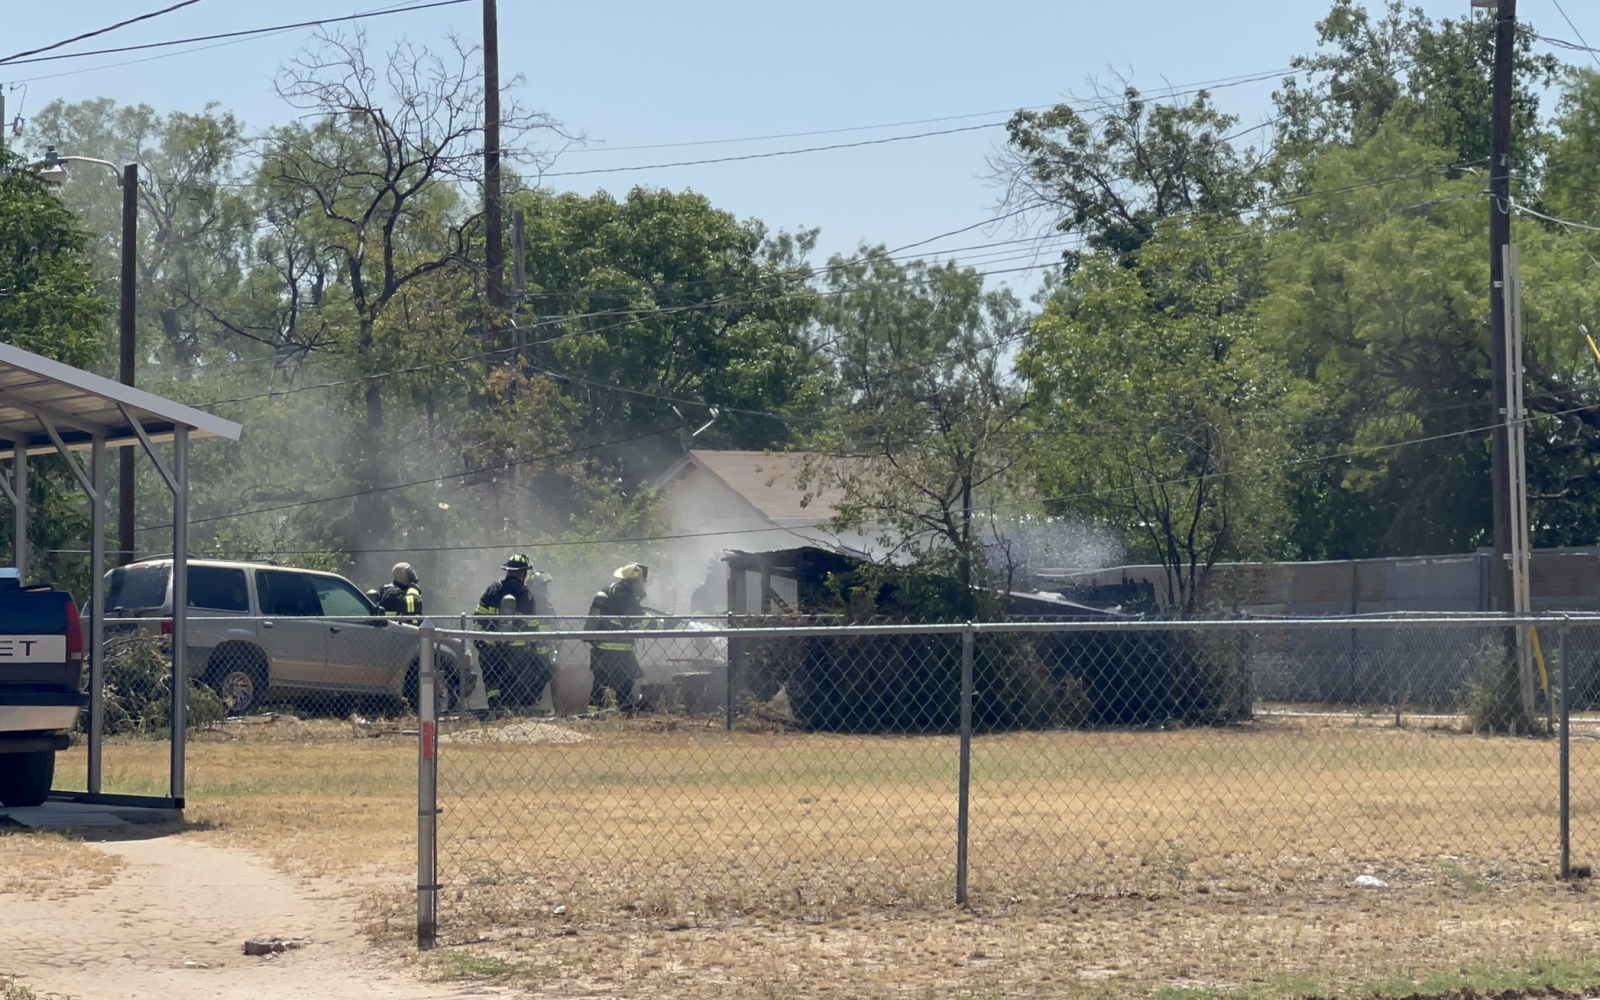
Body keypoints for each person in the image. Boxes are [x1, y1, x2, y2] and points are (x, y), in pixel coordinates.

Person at [474, 554, 551, 710]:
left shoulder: (492, 589)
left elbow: (478, 617)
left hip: (491, 647)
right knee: (514, 681)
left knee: (492, 678)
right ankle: (513, 710)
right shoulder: (526, 595)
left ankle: (495, 707)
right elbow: (532, 626)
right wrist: (536, 649)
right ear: (523, 573)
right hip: (518, 650)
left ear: (508, 571)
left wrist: (480, 640)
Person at [586, 563, 650, 709]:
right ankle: (624, 715)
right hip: (621, 654)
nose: (643, 586)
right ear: (635, 581)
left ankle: (591, 717)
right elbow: (642, 620)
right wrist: (666, 624)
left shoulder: (609, 591)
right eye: (642, 582)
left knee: (600, 687)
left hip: (601, 653)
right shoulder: (627, 597)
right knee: (624, 688)